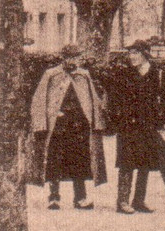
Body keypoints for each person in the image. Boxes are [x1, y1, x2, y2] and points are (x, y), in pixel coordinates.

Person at [28, 45, 107, 209]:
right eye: (69, 57)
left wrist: (97, 121)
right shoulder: (51, 74)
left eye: (76, 57)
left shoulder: (83, 75)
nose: (72, 61)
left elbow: (92, 99)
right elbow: (39, 99)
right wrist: (44, 120)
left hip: (78, 125)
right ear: (63, 58)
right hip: (57, 125)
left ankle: (80, 198)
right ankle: (54, 197)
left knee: (79, 160)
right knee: (54, 159)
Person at [107, 40, 165, 214]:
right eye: (130, 53)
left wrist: (159, 119)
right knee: (126, 162)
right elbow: (114, 98)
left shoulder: (158, 74)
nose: (132, 57)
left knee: (145, 162)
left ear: (145, 55)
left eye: (136, 53)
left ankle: (139, 200)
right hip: (128, 125)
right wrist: (119, 118)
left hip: (148, 125)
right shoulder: (124, 74)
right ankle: (122, 201)